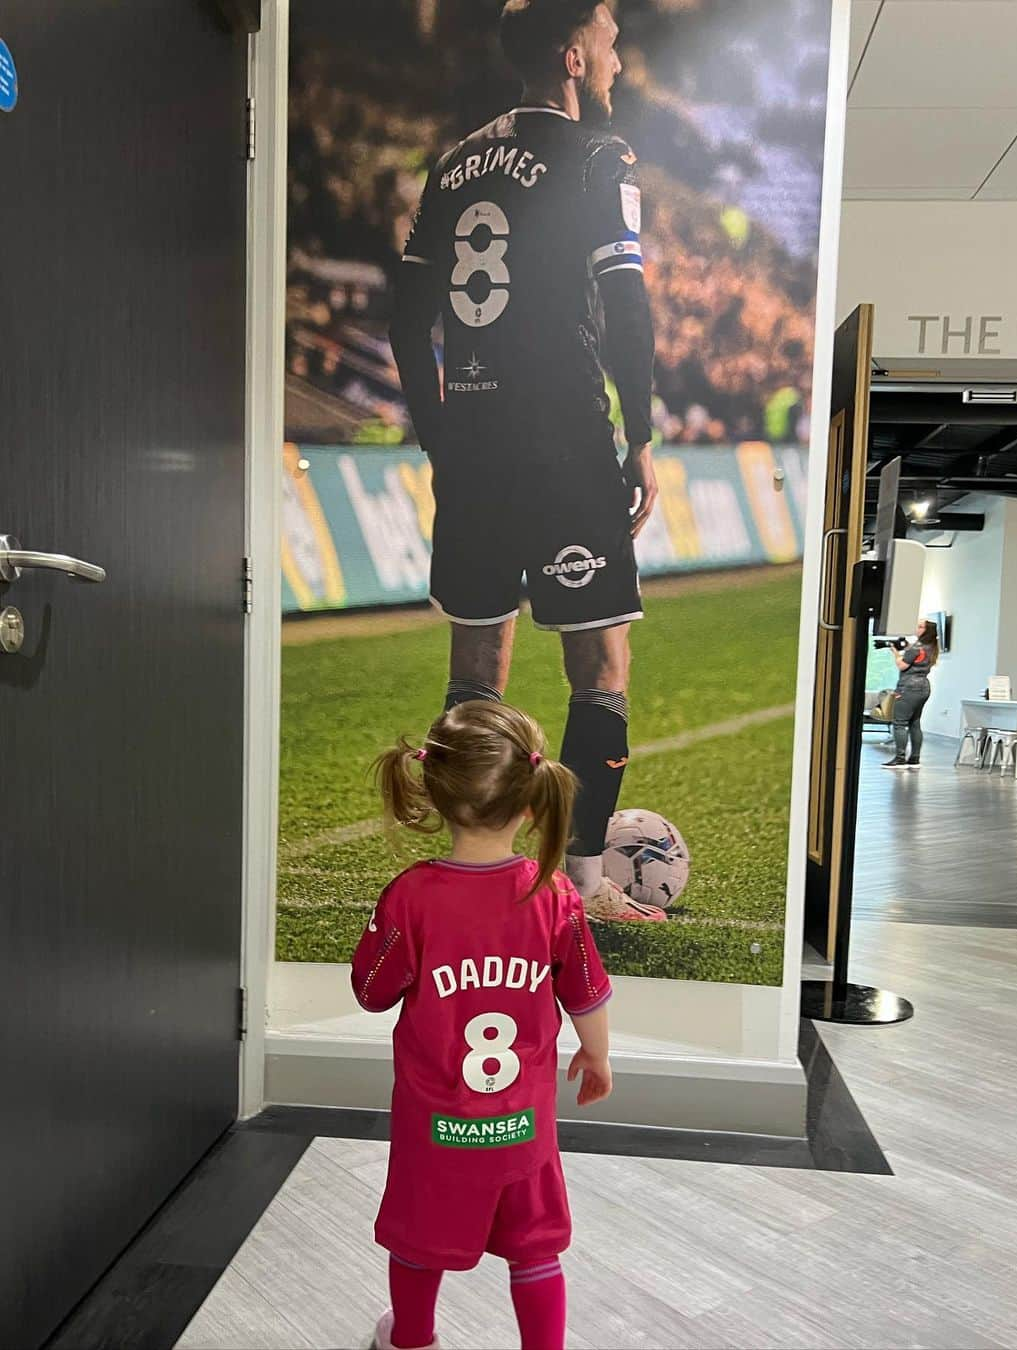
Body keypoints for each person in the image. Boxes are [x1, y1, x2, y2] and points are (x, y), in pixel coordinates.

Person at [389, 0, 662, 923]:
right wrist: (644, 435)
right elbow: (625, 305)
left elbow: (403, 314)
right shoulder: (598, 158)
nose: (620, 57)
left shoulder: (456, 160)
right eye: (610, 39)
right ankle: (582, 891)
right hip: (565, 449)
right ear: (572, 55)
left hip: (472, 448)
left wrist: (437, 434)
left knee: (475, 673)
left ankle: (472, 879)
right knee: (601, 671)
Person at [353, 700, 615, 1350]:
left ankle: (410, 1338)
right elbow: (586, 992)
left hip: (435, 1129)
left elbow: (370, 991)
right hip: (521, 1127)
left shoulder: (411, 897)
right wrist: (598, 1057)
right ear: (531, 803)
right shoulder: (553, 894)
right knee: (535, 1251)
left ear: (434, 794)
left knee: (419, 1242)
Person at [883, 618, 940, 770]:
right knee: (915, 723)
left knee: (900, 723)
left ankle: (900, 758)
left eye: (921, 627)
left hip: (908, 687)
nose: (917, 628)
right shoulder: (931, 647)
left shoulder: (917, 647)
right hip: (924, 687)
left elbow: (902, 666)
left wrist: (896, 653)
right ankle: (914, 758)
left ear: (927, 631)